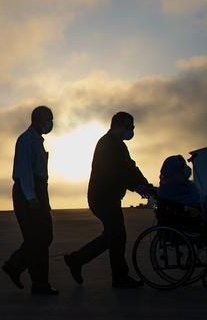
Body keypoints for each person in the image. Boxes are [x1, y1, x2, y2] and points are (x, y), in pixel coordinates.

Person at [64, 112, 154, 288]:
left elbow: (130, 168)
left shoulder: (119, 145)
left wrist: (145, 185)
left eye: (133, 128)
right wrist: (136, 187)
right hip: (102, 198)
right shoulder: (106, 145)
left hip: (110, 198)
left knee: (111, 237)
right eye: (128, 127)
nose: (131, 131)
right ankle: (120, 278)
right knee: (118, 235)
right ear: (117, 125)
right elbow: (115, 174)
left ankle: (76, 260)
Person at [2, 106, 58, 296]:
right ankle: (20, 269)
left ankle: (32, 277)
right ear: (37, 119)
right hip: (29, 192)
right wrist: (31, 196)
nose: (51, 123)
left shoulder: (37, 140)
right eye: (48, 119)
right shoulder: (26, 140)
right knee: (39, 238)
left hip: (38, 190)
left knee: (41, 238)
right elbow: (25, 170)